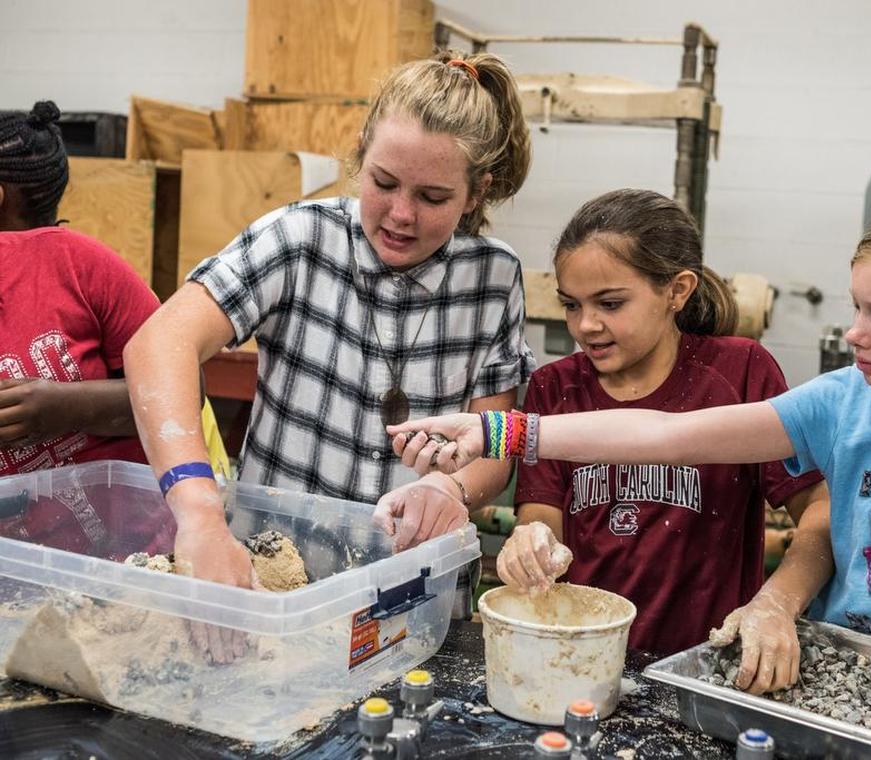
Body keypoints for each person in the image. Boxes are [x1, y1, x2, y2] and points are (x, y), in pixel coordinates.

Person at [389, 200, 871, 698]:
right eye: (856, 309)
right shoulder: (842, 402)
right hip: (845, 687)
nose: (854, 333)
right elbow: (667, 434)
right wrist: (499, 431)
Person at [123, 51, 535, 611]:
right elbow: (158, 344)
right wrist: (198, 511)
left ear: (477, 192)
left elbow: (495, 444)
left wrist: (449, 488)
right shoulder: (299, 240)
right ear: (361, 152)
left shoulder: (493, 277)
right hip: (273, 580)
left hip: (413, 593)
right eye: (384, 182)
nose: (401, 214)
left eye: (433, 198)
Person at [461, 188, 826, 656]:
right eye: (571, 304)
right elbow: (542, 516)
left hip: (706, 659)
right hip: (587, 655)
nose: (586, 325)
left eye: (610, 304)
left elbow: (819, 510)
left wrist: (777, 603)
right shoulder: (557, 386)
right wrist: (531, 544)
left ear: (677, 290)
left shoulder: (741, 373)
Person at [0, 101, 181, 554]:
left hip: (127, 558)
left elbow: (184, 387)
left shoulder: (80, 264)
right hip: (19, 573)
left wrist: (58, 406)